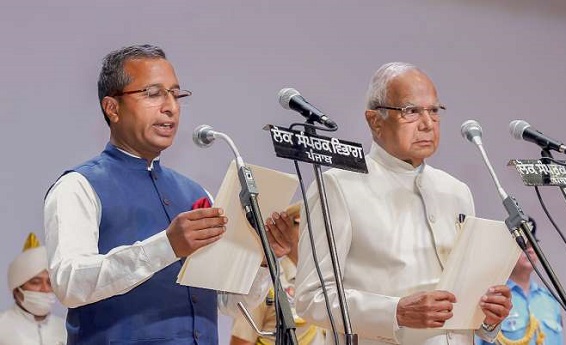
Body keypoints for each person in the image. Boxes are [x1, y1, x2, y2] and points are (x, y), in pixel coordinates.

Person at [44, 44, 291, 344]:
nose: (170, 107)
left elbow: (226, 303)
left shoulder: (195, 192)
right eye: (153, 93)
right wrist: (167, 246)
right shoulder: (79, 186)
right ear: (112, 108)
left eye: (176, 94)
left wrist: (262, 261)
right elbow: (69, 283)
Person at [295, 62, 513, 345]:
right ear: (375, 120)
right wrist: (394, 312)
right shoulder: (338, 185)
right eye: (411, 111)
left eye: (434, 111)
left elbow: (465, 303)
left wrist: (489, 316)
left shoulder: (456, 191)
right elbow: (311, 297)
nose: (427, 124)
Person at [230, 203, 326, 345]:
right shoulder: (266, 281)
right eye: (304, 222)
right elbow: (241, 341)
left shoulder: (325, 281)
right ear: (285, 229)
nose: (313, 232)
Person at [476, 218, 563, 345]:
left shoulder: (550, 300)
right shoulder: (493, 298)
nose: (530, 250)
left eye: (534, 244)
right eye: (524, 244)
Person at [0, 233, 67, 344]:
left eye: (49, 283)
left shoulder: (65, 329)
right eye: (35, 282)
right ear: (17, 290)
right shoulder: (2, 326)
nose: (45, 289)